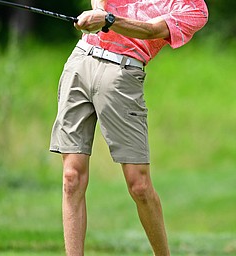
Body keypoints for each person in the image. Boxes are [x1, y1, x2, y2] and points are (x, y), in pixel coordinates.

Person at [49, 0, 208, 255]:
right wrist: (100, 10)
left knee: (139, 185)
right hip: (81, 61)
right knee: (71, 178)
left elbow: (151, 30)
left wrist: (108, 20)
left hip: (123, 74)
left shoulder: (194, 10)